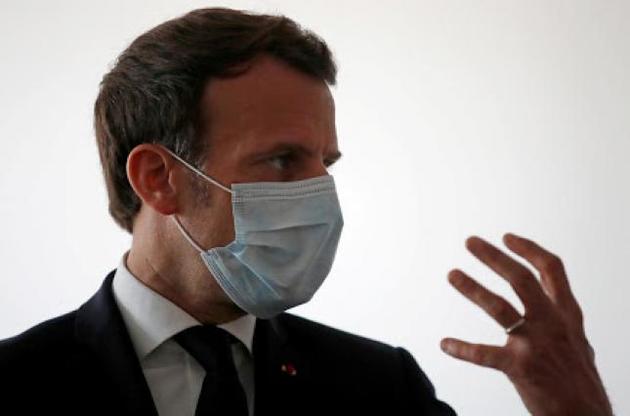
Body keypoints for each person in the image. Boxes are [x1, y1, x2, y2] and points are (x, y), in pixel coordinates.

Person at [0, 7, 612, 416]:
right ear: (159, 179)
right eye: (282, 160)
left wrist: (575, 411)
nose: (322, 195)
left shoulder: (381, 389)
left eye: (327, 164)